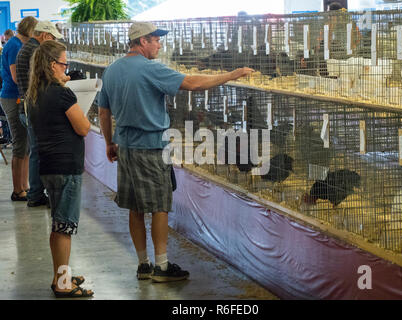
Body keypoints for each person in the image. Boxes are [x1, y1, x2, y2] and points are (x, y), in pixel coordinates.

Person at [98, 21, 253, 282]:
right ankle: (162, 265)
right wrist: (231, 75)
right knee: (159, 206)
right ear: (142, 41)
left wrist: (108, 142)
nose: (160, 44)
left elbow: (104, 110)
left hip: (125, 146)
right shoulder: (151, 69)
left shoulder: (112, 70)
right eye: (156, 40)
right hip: (151, 147)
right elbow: (192, 83)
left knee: (135, 208)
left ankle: (143, 264)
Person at [27, 40, 93, 298]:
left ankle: (60, 275)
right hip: (66, 167)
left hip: (48, 165)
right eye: (64, 63)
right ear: (53, 65)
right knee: (65, 227)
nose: (67, 68)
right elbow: (84, 127)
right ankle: (63, 283)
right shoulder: (62, 94)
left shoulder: (36, 93)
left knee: (58, 225)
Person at [16, 21, 63, 208]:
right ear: (44, 35)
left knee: (35, 151)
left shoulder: (27, 48)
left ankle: (36, 192)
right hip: (32, 108)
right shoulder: (35, 52)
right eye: (51, 39)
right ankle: (36, 194)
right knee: (37, 152)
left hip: (28, 106)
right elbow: (39, 81)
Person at [0, 16, 38, 201]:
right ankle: (18, 189)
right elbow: (16, 77)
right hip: (12, 96)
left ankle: (25, 186)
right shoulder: (15, 45)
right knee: (20, 144)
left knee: (25, 146)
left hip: (15, 96)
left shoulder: (16, 43)